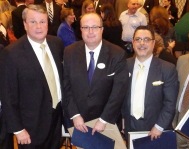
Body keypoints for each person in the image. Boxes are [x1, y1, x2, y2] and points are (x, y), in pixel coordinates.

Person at [0, 4, 64, 148]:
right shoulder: (11, 54)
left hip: (56, 120)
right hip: (30, 127)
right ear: (25, 24)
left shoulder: (56, 44)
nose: (39, 26)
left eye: (42, 21)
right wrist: (18, 129)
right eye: (33, 22)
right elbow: (7, 95)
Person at [63, 13, 128, 135]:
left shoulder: (117, 54)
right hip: (78, 122)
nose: (90, 31)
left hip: (107, 122)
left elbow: (119, 91)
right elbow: (66, 86)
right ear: (80, 30)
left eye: (95, 27)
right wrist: (75, 115)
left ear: (102, 29)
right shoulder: (69, 52)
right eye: (86, 27)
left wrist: (104, 119)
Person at [122, 25, 178, 139]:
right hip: (129, 127)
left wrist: (159, 127)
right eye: (138, 39)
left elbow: (170, 103)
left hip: (156, 130)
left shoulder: (167, 69)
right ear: (133, 43)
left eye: (146, 39)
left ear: (153, 44)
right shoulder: (124, 66)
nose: (142, 43)